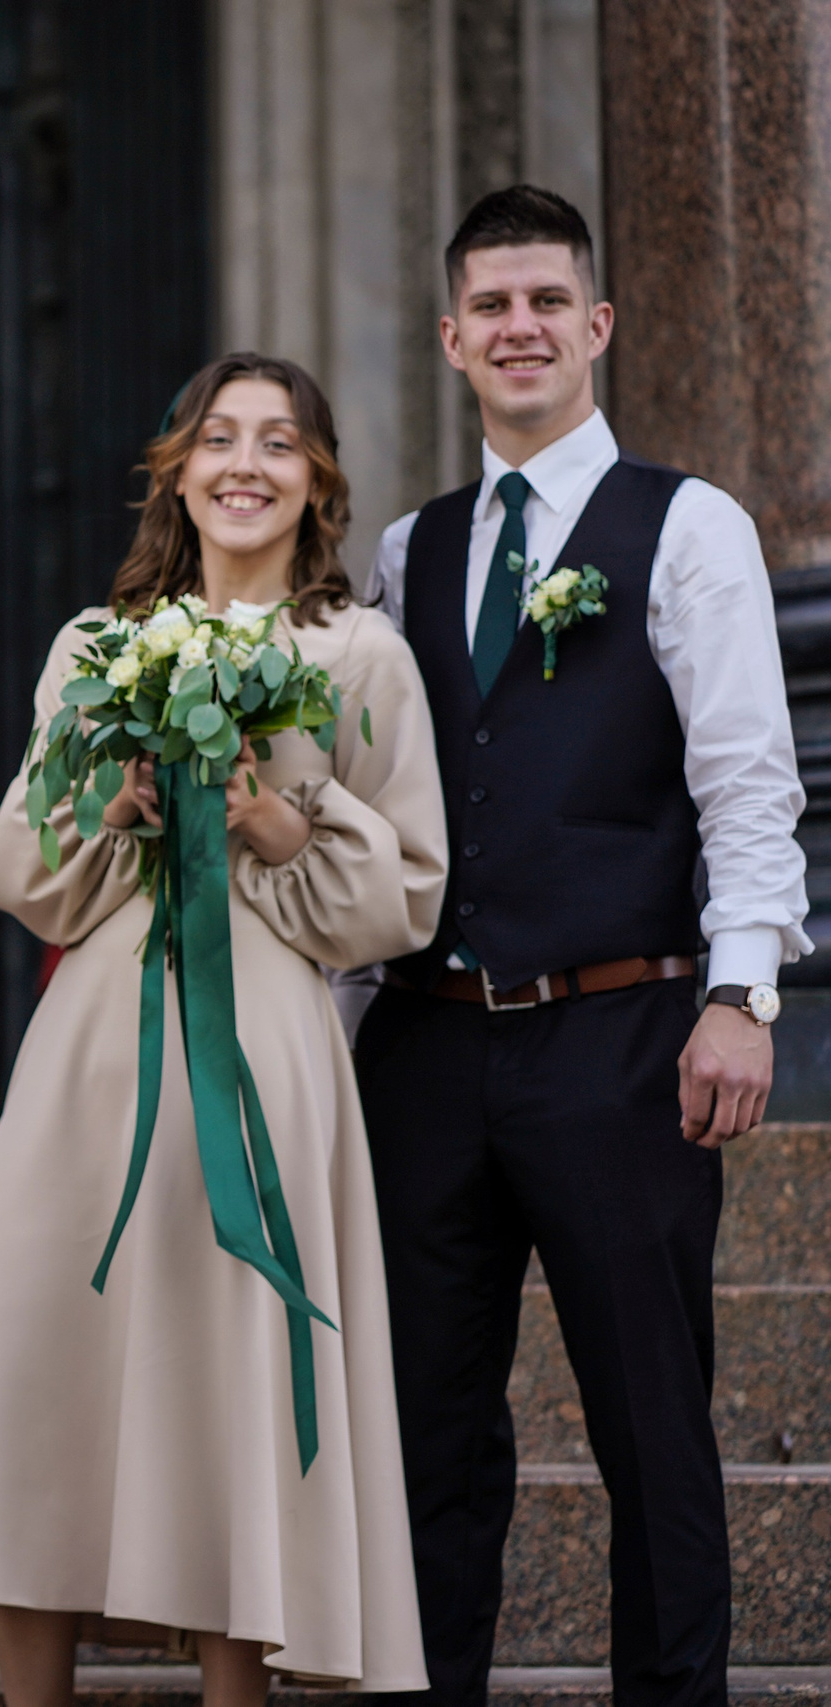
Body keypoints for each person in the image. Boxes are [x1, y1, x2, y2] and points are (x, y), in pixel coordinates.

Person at [0, 355, 443, 1694]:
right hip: (98, 1029)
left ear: (317, 479)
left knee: (228, 1359)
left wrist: (287, 825)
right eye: (220, 439)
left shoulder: (360, 651)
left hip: (262, 1027)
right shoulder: (94, 644)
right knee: (37, 1339)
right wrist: (115, 806)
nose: (246, 463)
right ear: (178, 470)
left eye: (280, 442)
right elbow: (25, 863)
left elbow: (413, 884)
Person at [354, 185, 809, 1707]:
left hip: (622, 1035)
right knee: (427, 1434)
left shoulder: (688, 526)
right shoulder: (407, 553)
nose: (521, 327)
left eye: (547, 300)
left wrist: (742, 991)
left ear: (596, 324)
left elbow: (746, 774)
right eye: (491, 305)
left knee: (651, 1425)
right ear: (451, 339)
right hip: (422, 1042)